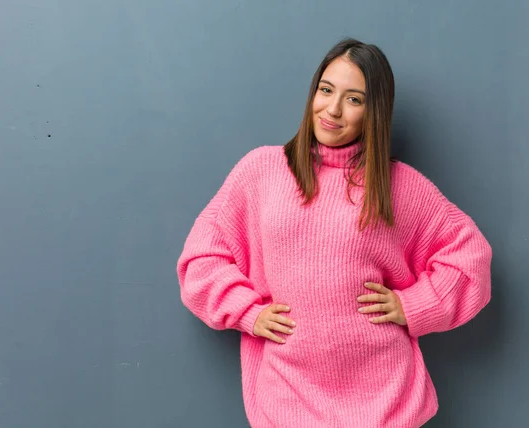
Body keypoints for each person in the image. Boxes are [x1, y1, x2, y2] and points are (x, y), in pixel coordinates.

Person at [176, 38, 492, 428]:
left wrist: (413, 306)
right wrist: (249, 313)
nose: (333, 110)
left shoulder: (400, 186)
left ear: (373, 112)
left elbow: (469, 260)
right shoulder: (261, 172)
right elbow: (200, 261)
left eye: (354, 99)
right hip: (287, 398)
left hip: (385, 403)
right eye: (326, 90)